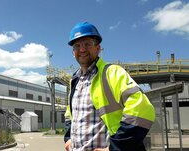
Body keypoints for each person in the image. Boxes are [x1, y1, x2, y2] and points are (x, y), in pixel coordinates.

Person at [64, 22, 155, 151]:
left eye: (87, 44)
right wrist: (68, 138)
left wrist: (115, 148)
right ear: (73, 52)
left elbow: (142, 110)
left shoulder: (112, 73)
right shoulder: (75, 81)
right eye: (77, 46)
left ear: (98, 48)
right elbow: (70, 114)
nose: (82, 49)